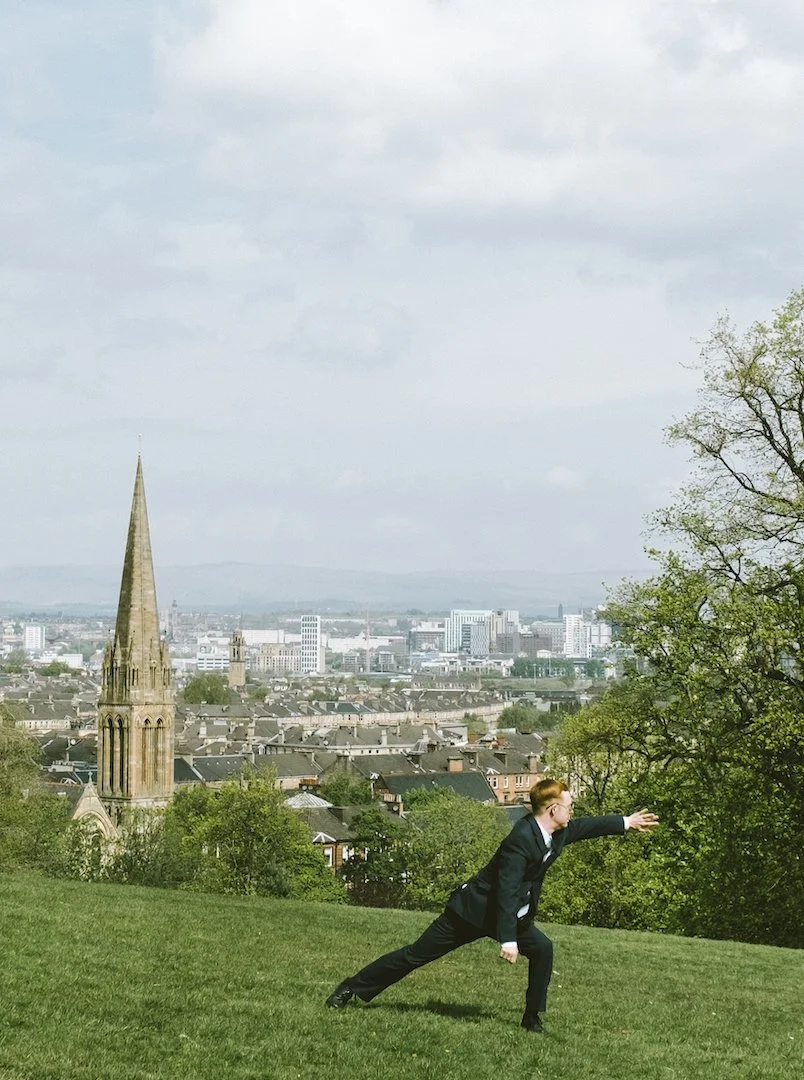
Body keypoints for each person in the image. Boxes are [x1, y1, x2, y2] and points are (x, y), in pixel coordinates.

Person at [326, 778, 659, 1032]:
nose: (573, 811)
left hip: (509, 914)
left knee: (543, 949)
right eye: (569, 805)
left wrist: (625, 822)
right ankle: (351, 988)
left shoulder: (556, 833)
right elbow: (506, 891)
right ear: (551, 809)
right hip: (472, 912)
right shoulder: (520, 841)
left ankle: (531, 1018)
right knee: (416, 955)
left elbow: (585, 828)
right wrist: (509, 939)